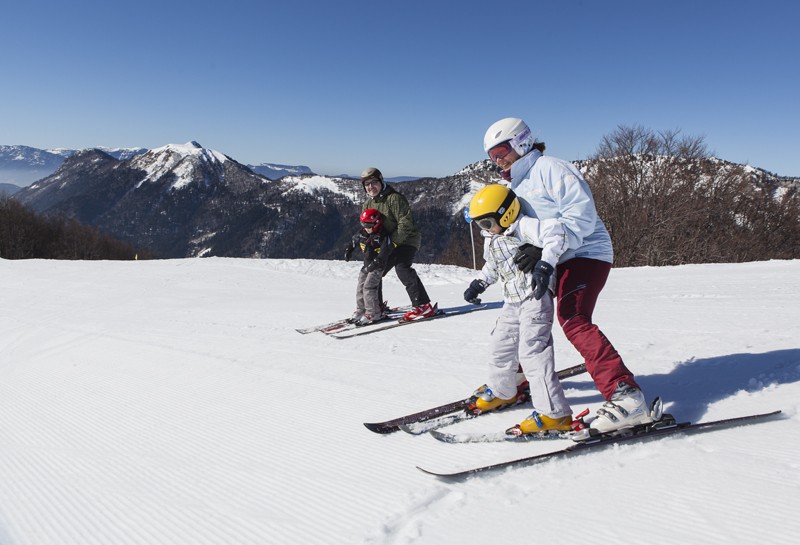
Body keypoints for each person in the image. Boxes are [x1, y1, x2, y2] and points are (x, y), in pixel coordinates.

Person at [482, 117, 653, 435]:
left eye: (502, 150)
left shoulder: (550, 169)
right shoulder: (514, 184)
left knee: (572, 318)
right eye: (492, 155)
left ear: (521, 141)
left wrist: (543, 249)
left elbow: (581, 216)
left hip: (586, 253)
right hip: (553, 259)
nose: (498, 159)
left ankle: (627, 396)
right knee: (526, 313)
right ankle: (519, 379)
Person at [463, 184, 573, 436]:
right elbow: (493, 265)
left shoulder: (525, 226)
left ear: (507, 213)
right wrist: (479, 283)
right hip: (511, 301)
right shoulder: (492, 238)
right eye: (480, 225)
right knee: (499, 346)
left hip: (535, 298)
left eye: (488, 223)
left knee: (532, 352)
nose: (485, 230)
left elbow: (557, 232)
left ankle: (555, 413)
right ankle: (503, 391)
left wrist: (545, 263)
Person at [356, 167, 436, 322]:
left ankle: (423, 306)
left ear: (381, 181)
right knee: (375, 270)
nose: (370, 187)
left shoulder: (394, 199)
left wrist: (391, 244)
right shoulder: (367, 204)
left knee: (402, 266)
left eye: (374, 182)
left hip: (407, 239)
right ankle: (375, 306)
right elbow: (366, 227)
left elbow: (406, 224)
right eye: (367, 184)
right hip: (385, 243)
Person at [344, 208, 394, 326]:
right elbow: (353, 241)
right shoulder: (362, 233)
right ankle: (361, 310)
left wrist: (373, 265)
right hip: (366, 265)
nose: (365, 227)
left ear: (377, 223)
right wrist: (348, 250)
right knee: (360, 287)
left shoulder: (382, 236)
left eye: (368, 224)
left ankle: (373, 313)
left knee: (369, 287)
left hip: (377, 266)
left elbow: (383, 254)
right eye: (363, 224)